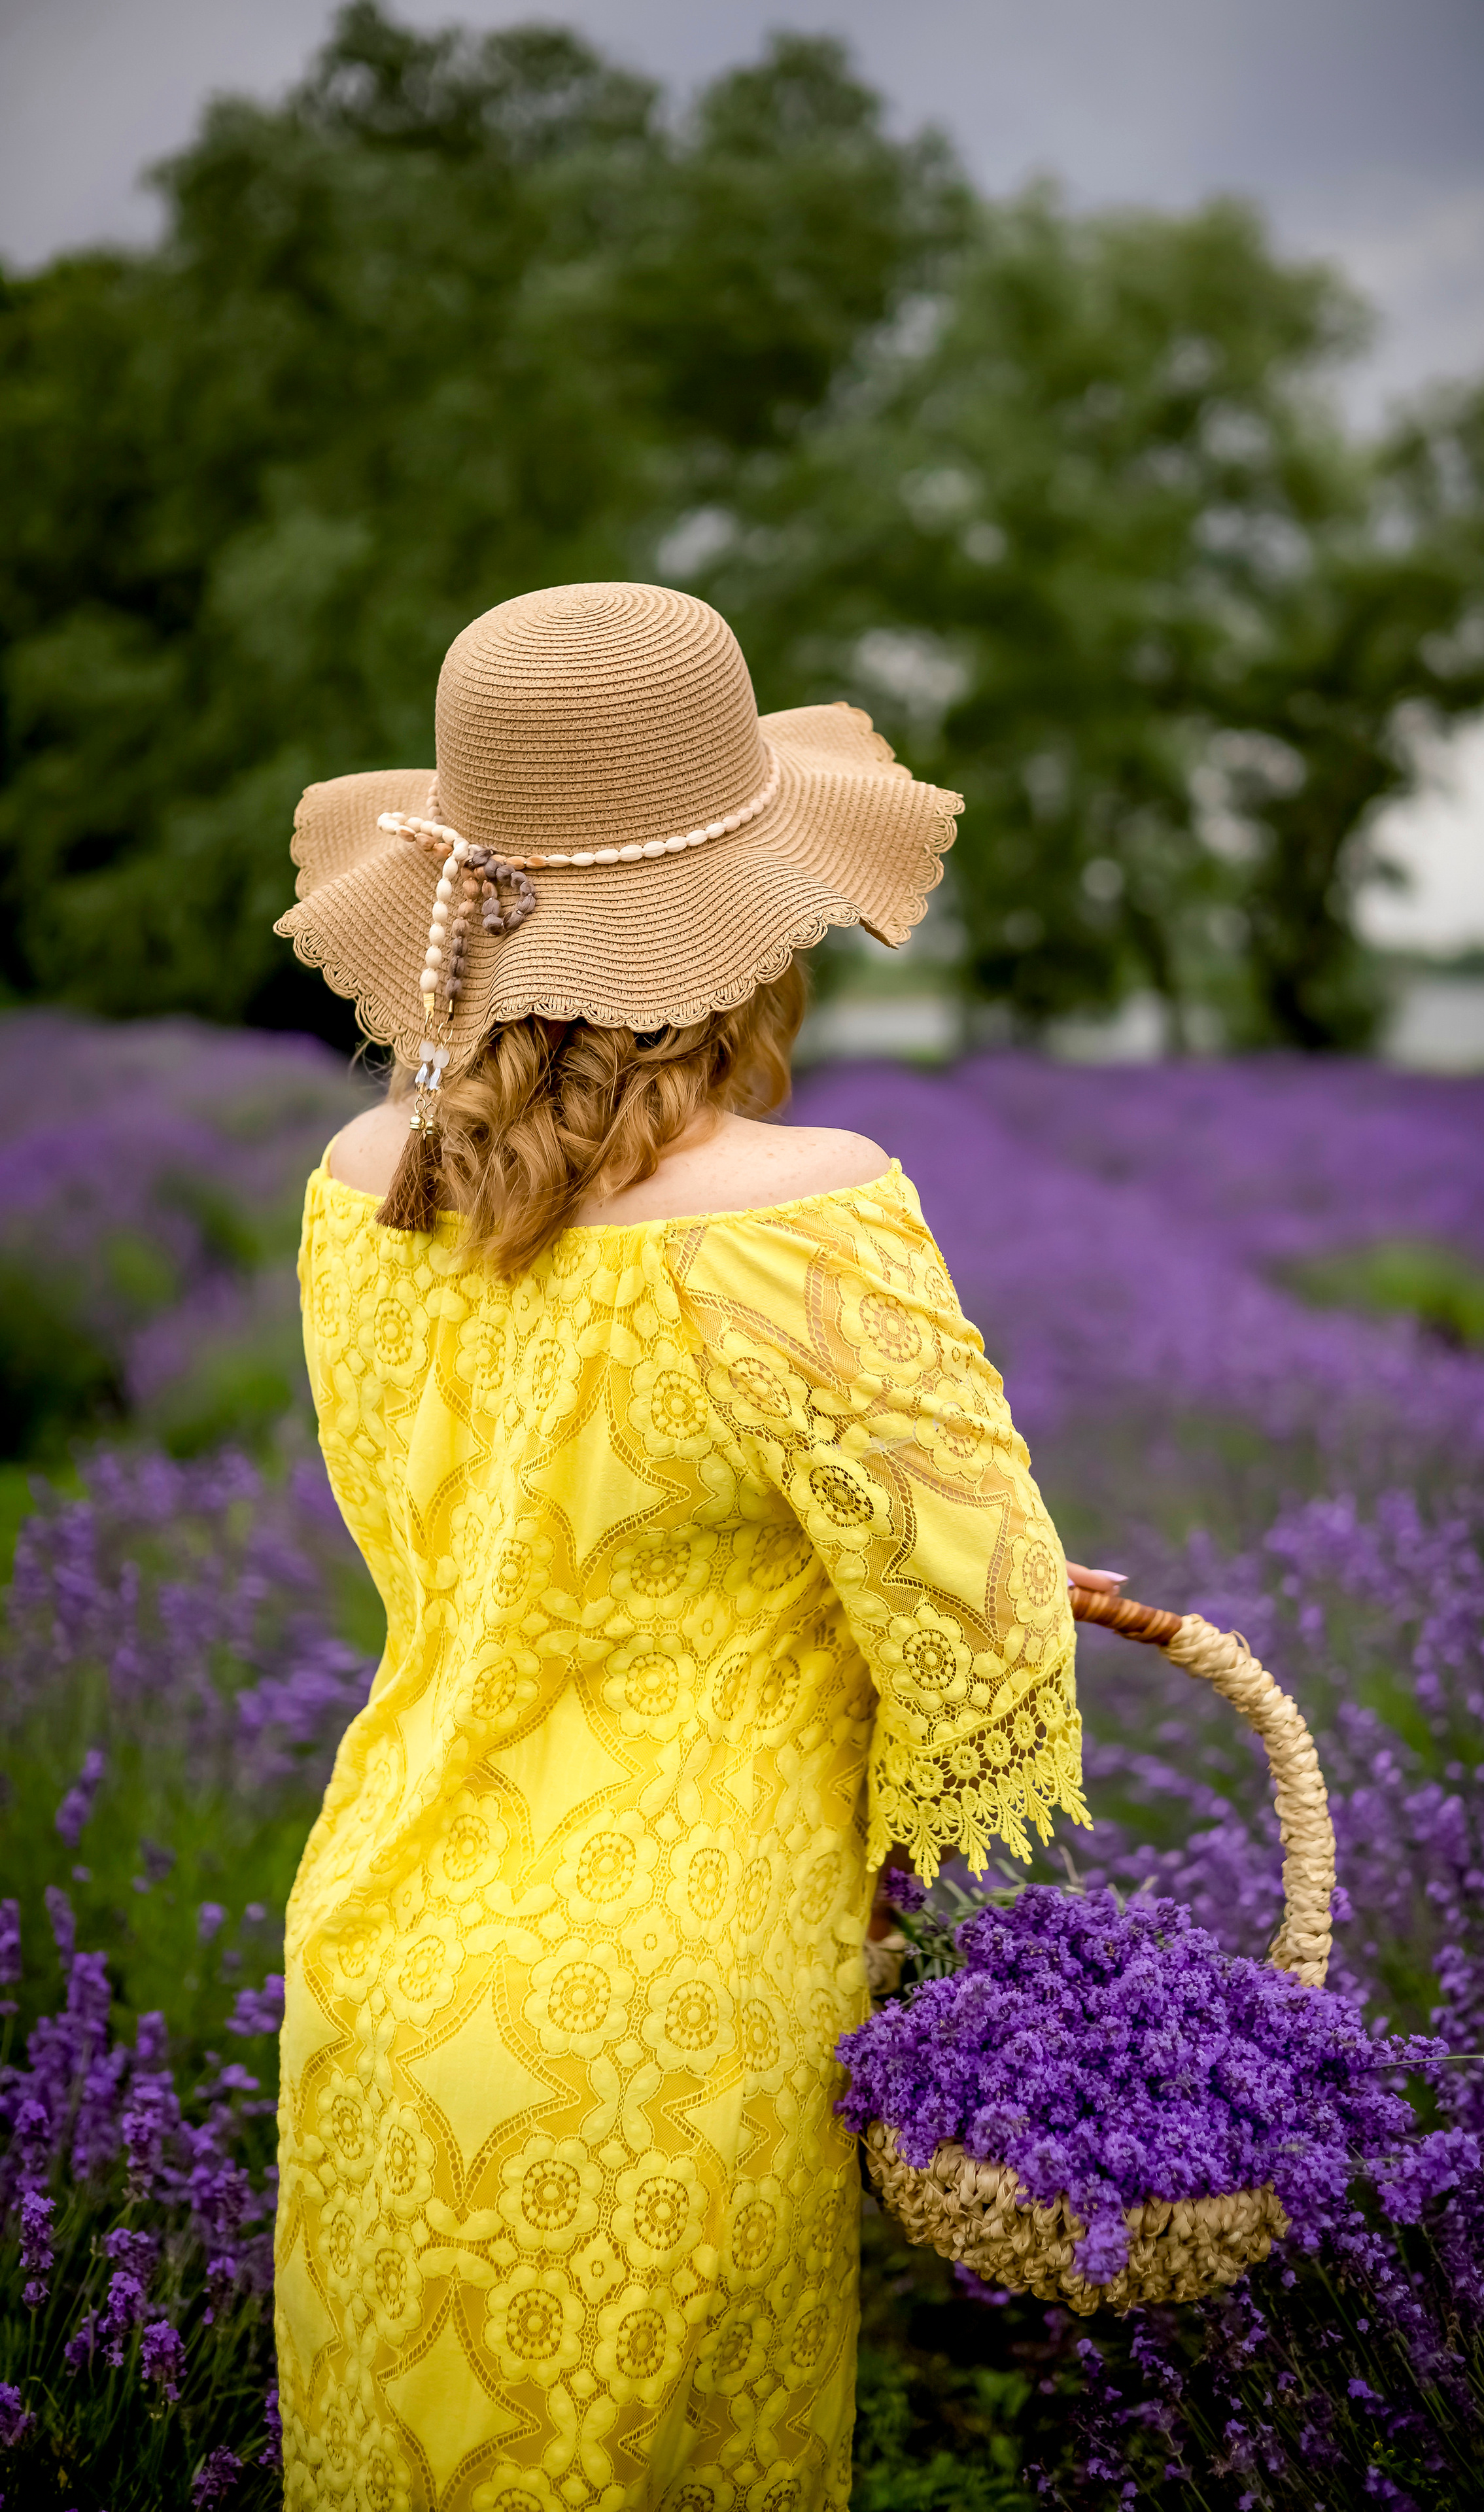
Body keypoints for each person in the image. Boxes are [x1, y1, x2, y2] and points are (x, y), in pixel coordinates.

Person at [271, 582, 1090, 2512]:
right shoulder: (811, 1210)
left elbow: (487, 1536)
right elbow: (986, 1632)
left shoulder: (353, 1190)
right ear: (743, 921)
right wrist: (900, 1856)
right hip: (678, 2001)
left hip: (378, 1951)